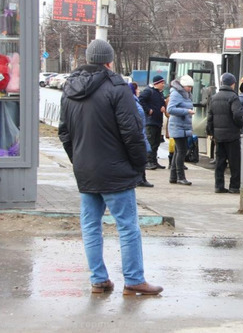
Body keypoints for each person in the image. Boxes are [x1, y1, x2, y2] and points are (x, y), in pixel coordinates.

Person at [58, 39, 162, 296]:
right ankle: (134, 279)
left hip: (86, 170)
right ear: (109, 61)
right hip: (116, 171)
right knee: (127, 226)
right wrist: (139, 165)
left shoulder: (70, 88)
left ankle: (98, 279)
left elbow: (64, 133)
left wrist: (78, 160)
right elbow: (133, 132)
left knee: (90, 225)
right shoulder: (117, 87)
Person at [206, 72, 243, 194]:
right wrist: (240, 125)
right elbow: (237, 115)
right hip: (232, 135)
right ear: (233, 84)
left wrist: (211, 132)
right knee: (234, 162)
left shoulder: (214, 97)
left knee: (220, 162)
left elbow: (210, 116)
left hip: (218, 136)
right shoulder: (233, 97)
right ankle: (234, 187)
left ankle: (219, 186)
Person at [167, 74, 195, 185]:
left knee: (179, 151)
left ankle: (173, 176)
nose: (190, 88)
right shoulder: (176, 94)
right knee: (181, 151)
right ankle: (180, 177)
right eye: (188, 86)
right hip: (178, 126)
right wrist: (186, 111)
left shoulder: (185, 94)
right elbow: (170, 109)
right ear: (183, 85)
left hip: (182, 126)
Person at [139, 75, 166, 170]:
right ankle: (148, 161)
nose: (163, 85)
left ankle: (154, 160)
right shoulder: (148, 91)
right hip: (150, 121)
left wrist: (163, 107)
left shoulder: (160, 93)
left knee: (156, 142)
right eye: (162, 83)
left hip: (158, 121)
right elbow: (140, 100)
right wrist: (148, 110)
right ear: (157, 83)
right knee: (150, 142)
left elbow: (161, 103)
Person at [129, 82, 154, 188]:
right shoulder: (132, 102)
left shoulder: (135, 100)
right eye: (137, 89)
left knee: (143, 153)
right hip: (138, 132)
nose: (139, 91)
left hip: (140, 131)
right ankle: (139, 179)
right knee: (141, 155)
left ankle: (141, 178)